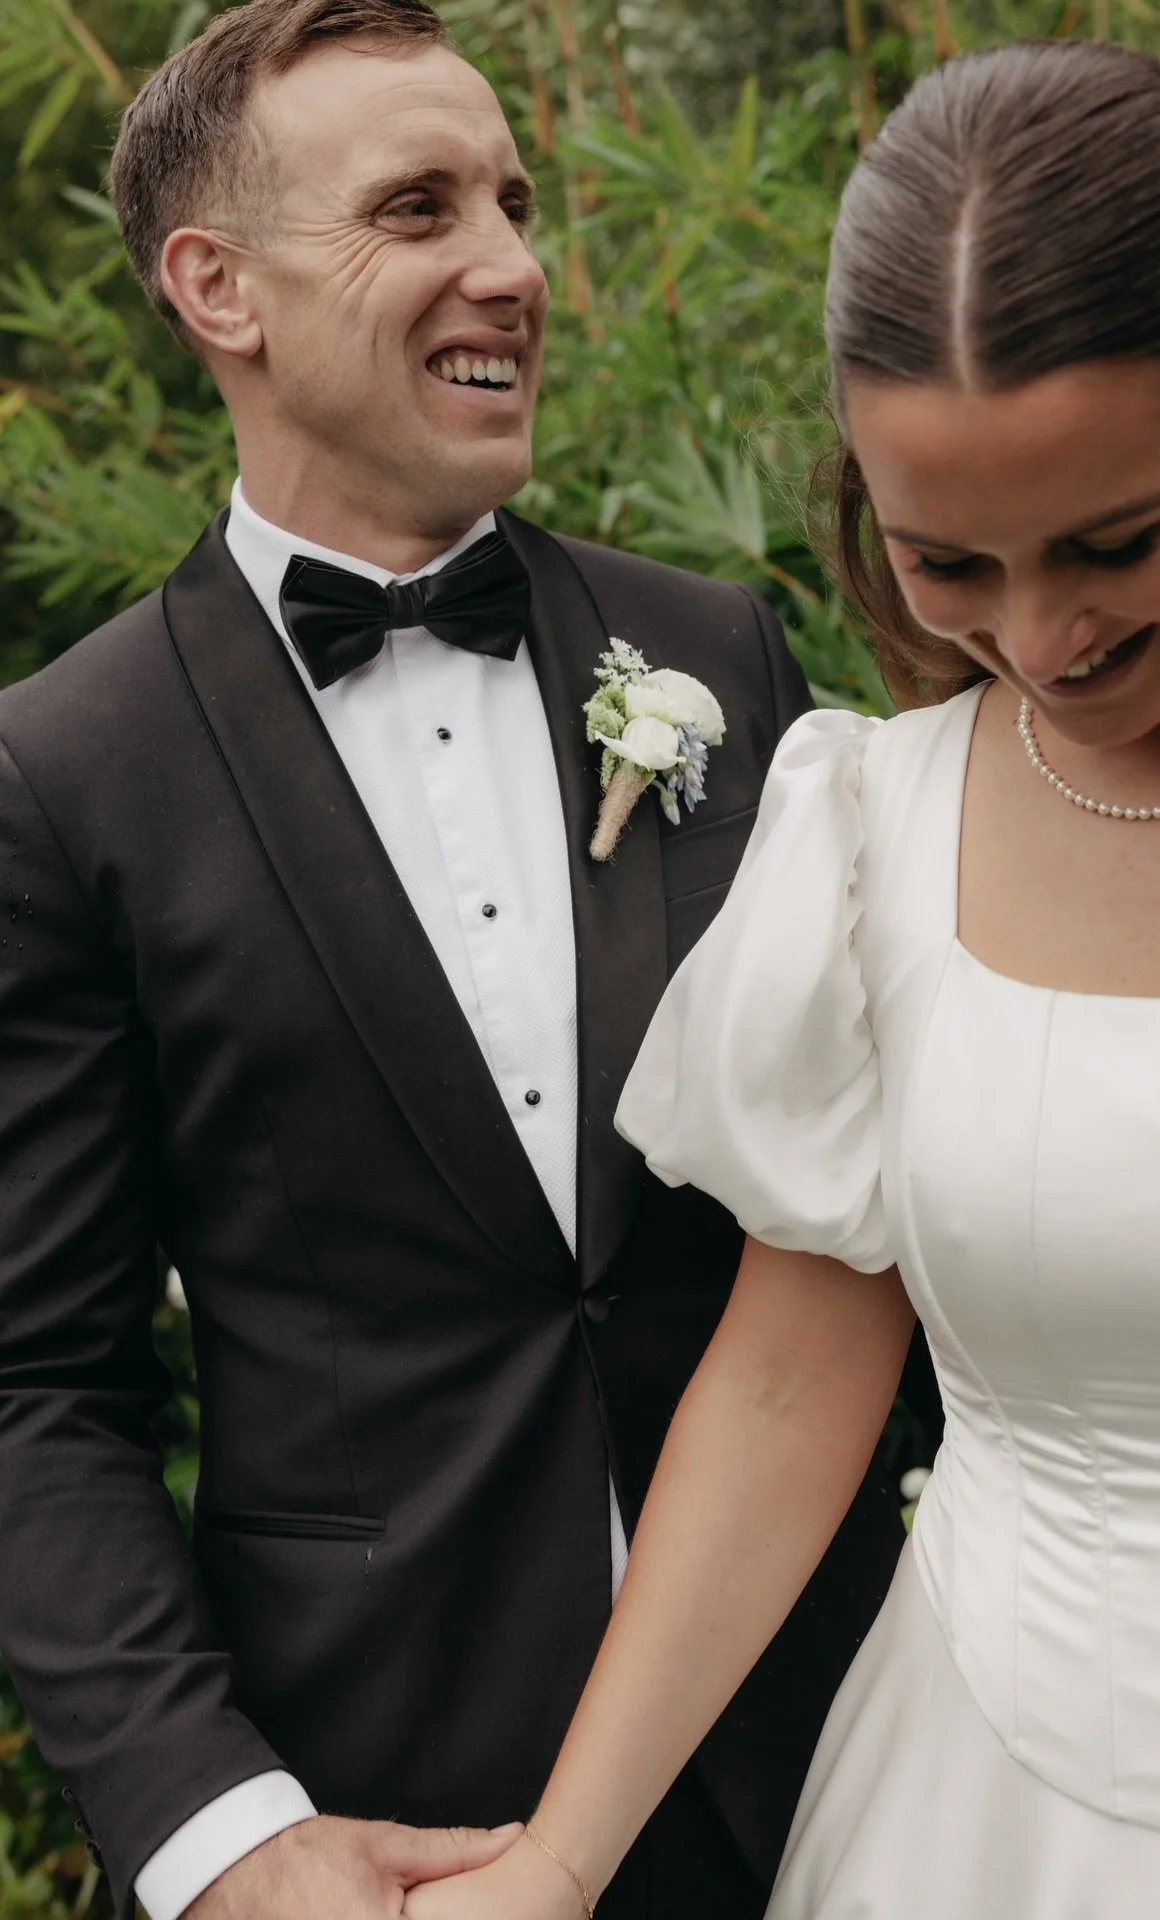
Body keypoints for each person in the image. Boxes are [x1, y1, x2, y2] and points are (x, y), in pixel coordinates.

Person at [398, 38, 1160, 1920]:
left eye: (1118, 541)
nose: (1042, 641)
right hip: (966, 1827)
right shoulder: (873, 825)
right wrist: (556, 1868)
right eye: (949, 559)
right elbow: (794, 1386)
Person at [0, 3, 907, 1917]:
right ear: (216, 289)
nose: (512, 263)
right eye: (418, 209)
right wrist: (222, 1835)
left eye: (513, 196)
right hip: (376, 1819)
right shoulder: (68, 771)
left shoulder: (720, 658)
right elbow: (35, 1384)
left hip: (822, 1760)